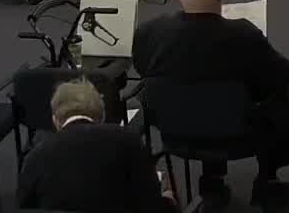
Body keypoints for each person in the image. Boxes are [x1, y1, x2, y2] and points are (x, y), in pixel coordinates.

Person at [133, 0, 289, 208]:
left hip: (176, 132)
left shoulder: (149, 33)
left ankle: (212, 180)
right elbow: (286, 75)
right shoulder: (244, 35)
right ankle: (267, 178)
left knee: (201, 97)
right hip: (240, 134)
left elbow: (142, 70)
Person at [16, 78, 177, 213]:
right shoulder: (127, 140)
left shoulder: (37, 155)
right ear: (102, 116)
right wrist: (168, 201)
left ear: (55, 120)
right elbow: (149, 203)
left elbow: (23, 206)